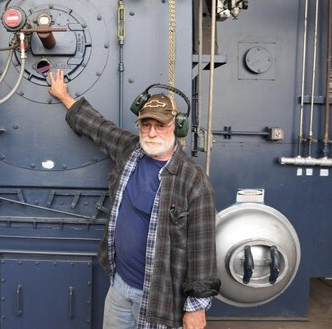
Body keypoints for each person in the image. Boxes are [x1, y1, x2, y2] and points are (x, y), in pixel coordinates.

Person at [48, 69, 220, 329]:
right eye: (146, 124)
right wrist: (64, 96)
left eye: (161, 125)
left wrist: (196, 308)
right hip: (120, 286)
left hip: (159, 298)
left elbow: (202, 249)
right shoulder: (130, 151)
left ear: (178, 126)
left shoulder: (193, 179)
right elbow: (98, 127)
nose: (151, 133)